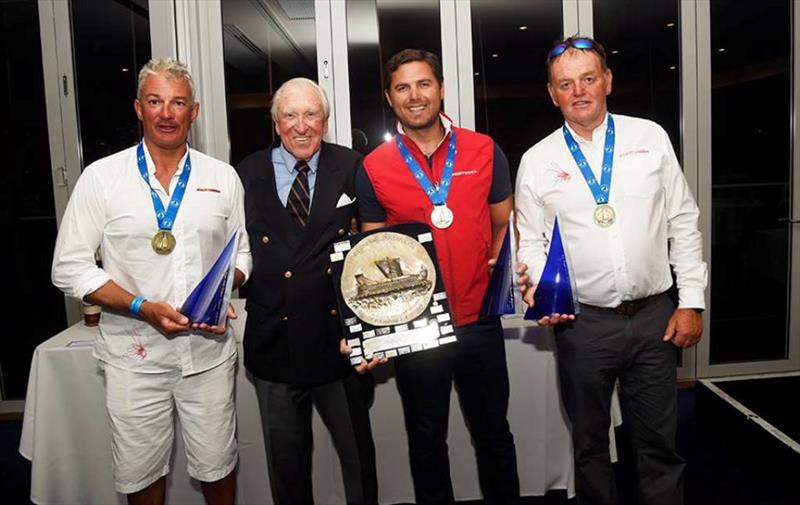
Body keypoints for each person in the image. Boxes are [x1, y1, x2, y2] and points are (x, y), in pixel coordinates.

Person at [515, 37, 707, 505]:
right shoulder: (537, 161)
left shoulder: (650, 137)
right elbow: (531, 243)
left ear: (607, 81)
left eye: (587, 78)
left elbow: (682, 220)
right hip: (584, 325)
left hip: (654, 320)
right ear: (552, 93)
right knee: (590, 445)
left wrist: (692, 301)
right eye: (566, 83)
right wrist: (546, 293)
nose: (579, 91)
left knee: (659, 442)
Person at [51, 58, 251, 505]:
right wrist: (142, 306)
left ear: (194, 111)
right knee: (140, 472)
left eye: (177, 102)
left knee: (218, 464)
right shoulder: (102, 178)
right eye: (156, 101)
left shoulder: (222, 177)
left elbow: (241, 254)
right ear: (138, 108)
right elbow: (68, 267)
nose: (166, 113)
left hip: (208, 353)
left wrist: (220, 294)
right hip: (132, 356)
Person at [356, 48, 520, 505]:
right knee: (427, 442)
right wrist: (379, 331)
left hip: (478, 321)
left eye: (423, 84)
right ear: (390, 98)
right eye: (403, 87)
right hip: (419, 328)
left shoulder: (484, 149)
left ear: (441, 88)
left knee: (494, 435)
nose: (415, 96)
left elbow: (504, 221)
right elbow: (371, 252)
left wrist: (493, 266)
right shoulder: (374, 167)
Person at [236, 77, 378, 505]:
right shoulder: (245, 173)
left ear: (326, 120)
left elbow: (372, 250)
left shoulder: (353, 166)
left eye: (311, 114)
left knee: (358, 463)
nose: (302, 125)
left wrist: (369, 330)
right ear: (276, 122)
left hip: (339, 344)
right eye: (291, 115)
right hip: (274, 343)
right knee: (287, 469)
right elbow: (229, 249)